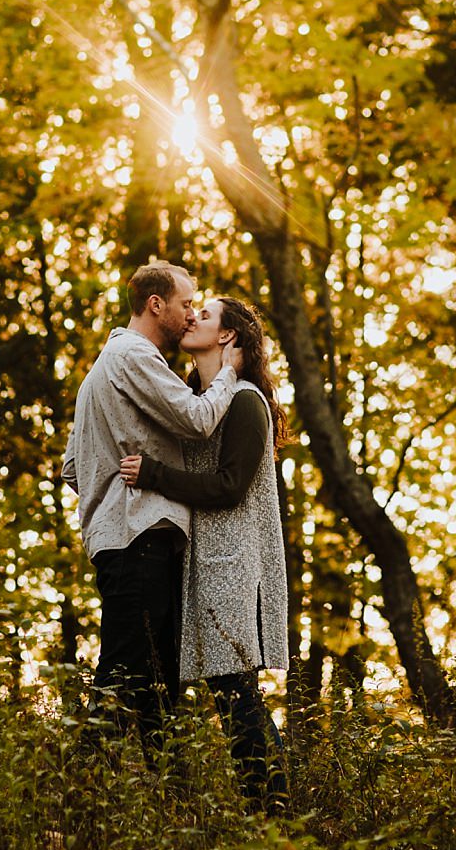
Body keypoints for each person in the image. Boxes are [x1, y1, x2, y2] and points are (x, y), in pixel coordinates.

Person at [60, 262, 242, 756]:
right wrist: (228, 374)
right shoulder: (135, 355)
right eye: (185, 304)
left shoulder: (101, 366)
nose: (190, 315)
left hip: (119, 538)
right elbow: (198, 419)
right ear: (156, 304)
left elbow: (73, 468)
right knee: (122, 676)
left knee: (154, 687)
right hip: (141, 537)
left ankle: (168, 802)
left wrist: (108, 497)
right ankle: (76, 797)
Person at [120, 296, 291, 812]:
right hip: (200, 566)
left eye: (206, 315)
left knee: (237, 697)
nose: (191, 317)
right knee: (225, 697)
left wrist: (153, 474)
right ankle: (248, 814)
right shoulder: (196, 400)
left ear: (227, 336)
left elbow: (230, 486)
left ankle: (276, 815)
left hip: (236, 566)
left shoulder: (243, 401)